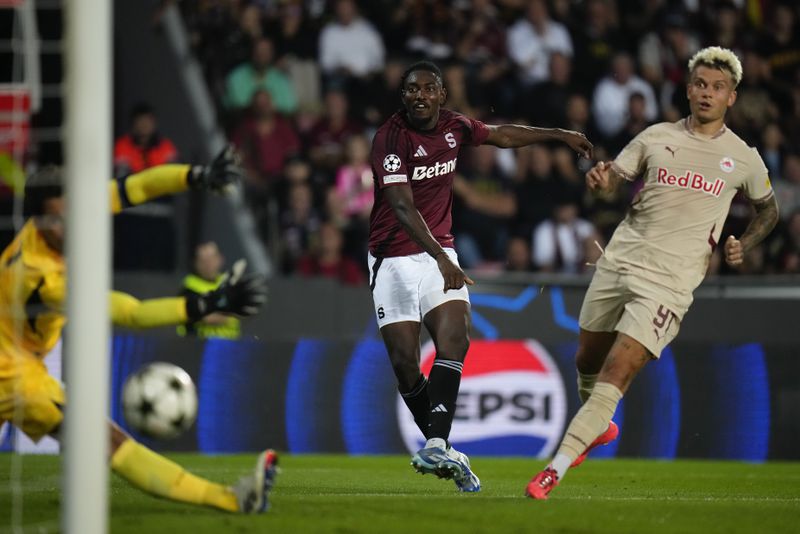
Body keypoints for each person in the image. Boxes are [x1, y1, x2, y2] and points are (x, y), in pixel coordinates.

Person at [526, 46, 779, 499]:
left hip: (670, 283)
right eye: (700, 84)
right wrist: (602, 185)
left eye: (718, 87)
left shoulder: (744, 158)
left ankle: (554, 469)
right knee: (586, 359)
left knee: (617, 372)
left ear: (732, 98)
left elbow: (769, 211)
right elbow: (612, 184)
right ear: (687, 89)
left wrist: (745, 241)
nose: (707, 93)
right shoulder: (654, 136)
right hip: (620, 261)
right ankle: (598, 424)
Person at [0, 148, 276, 513]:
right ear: (37, 220)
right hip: (10, 371)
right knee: (106, 441)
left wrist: (195, 175)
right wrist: (207, 304)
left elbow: (139, 186)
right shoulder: (39, 276)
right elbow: (132, 313)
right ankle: (232, 499)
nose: (67, 225)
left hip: (21, 358)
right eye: (56, 219)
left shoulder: (72, 213)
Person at [367, 61, 592, 492]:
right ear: (403, 96)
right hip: (393, 258)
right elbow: (399, 204)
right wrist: (441, 257)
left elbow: (503, 135)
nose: (419, 96)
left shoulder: (455, 127)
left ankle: (435, 442)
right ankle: (447, 450)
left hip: (439, 252)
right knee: (404, 366)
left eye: (427, 89)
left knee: (456, 335)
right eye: (411, 89)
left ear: (441, 96)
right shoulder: (390, 139)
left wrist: (559, 136)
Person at [177, 241, 242, 340]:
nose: (208, 264)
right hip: (197, 348)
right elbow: (204, 317)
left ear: (220, 259)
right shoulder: (189, 288)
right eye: (203, 261)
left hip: (230, 346)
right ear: (195, 263)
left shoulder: (230, 283)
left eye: (211, 259)